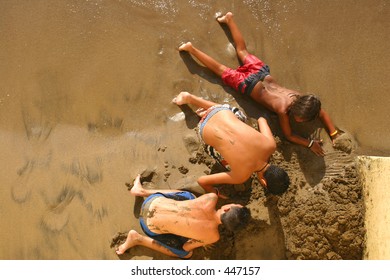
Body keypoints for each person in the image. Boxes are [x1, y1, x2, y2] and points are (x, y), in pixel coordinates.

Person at [178, 12, 340, 157]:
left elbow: (321, 112)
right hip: (247, 84)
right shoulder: (282, 110)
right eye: (302, 119)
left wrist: (334, 133)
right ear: (298, 113)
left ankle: (229, 19)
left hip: (262, 73)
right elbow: (289, 136)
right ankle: (191, 49)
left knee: (242, 51)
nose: (302, 121)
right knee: (221, 70)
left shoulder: (300, 98)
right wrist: (310, 143)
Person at [172, 91, 290, 197]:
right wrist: (215, 192)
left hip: (219, 111)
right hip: (202, 129)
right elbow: (202, 181)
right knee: (225, 162)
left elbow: (261, 120)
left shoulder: (271, 145)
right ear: (263, 182)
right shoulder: (241, 176)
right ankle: (203, 115)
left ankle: (192, 99)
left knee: (239, 116)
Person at [115, 174, 250, 259]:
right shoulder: (213, 236)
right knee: (186, 254)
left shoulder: (211, 198)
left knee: (189, 197)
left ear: (226, 208)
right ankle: (138, 239)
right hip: (147, 226)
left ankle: (142, 192)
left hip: (152, 201)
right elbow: (186, 247)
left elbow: (192, 206)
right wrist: (202, 241)